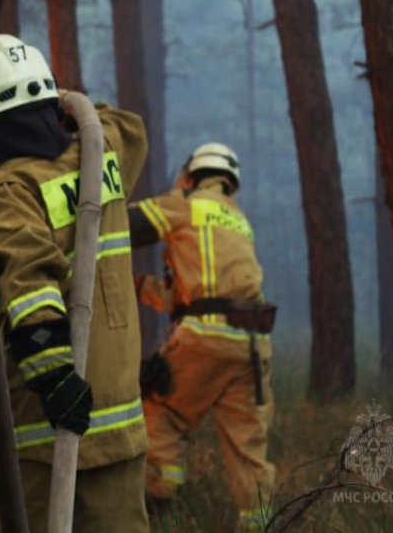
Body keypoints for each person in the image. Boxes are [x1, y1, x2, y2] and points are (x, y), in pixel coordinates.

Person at [0, 34, 150, 533]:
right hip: (117, 431)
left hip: (41, 436)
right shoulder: (100, 150)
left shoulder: (11, 188)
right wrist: (68, 106)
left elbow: (30, 285)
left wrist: (55, 380)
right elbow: (132, 128)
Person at [129, 143, 276, 531]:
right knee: (248, 448)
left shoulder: (187, 202)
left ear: (192, 174)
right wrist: (138, 286)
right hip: (253, 346)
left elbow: (127, 225)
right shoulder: (238, 219)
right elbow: (193, 296)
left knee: (164, 414)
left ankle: (162, 505)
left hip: (206, 339)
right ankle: (260, 523)